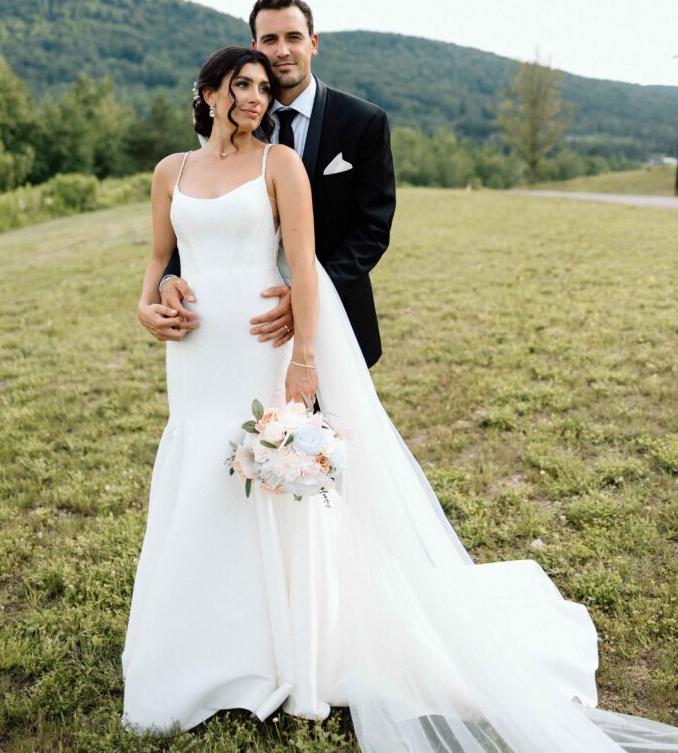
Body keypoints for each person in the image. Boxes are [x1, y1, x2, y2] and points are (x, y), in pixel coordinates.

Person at [122, 45, 678, 753]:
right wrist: (147, 305)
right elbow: (156, 257)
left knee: (270, 486)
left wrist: (304, 358)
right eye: (241, 85)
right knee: (200, 474)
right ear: (205, 92)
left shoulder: (278, 165)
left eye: (263, 87)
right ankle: (203, 642)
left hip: (262, 345)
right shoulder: (171, 171)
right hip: (196, 354)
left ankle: (285, 647)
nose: (256, 97)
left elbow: (303, 264)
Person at [137, 0, 396, 370]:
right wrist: (168, 278)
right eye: (270, 40)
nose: (282, 50)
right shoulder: (231, 118)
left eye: (293, 37)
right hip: (242, 321)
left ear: (313, 43)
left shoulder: (363, 122)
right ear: (256, 45)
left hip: (335, 308)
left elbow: (373, 228)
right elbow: (198, 216)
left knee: (330, 429)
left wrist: (307, 292)